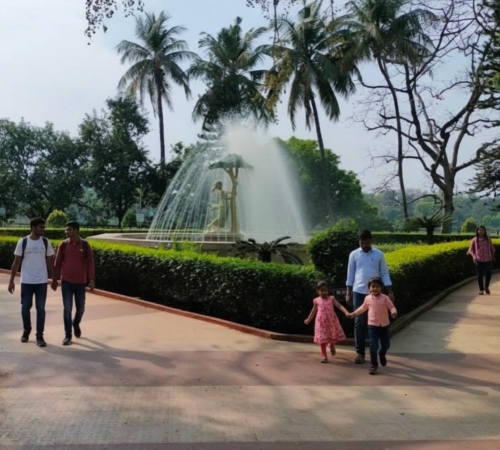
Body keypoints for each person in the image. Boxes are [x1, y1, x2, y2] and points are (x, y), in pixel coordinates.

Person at [346, 229, 394, 365]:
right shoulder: (354, 254)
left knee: (377, 322)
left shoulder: (379, 254)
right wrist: (348, 292)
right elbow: (350, 274)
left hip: (375, 293)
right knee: (359, 322)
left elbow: (384, 273)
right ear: (359, 242)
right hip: (358, 291)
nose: (364, 245)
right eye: (362, 243)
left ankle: (379, 350)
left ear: (371, 241)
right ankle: (360, 352)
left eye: (367, 243)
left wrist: (390, 292)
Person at [8, 217, 56, 347]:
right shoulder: (23, 242)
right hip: (27, 281)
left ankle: (40, 336)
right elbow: (16, 262)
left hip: (41, 282)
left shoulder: (45, 242)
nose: (43, 230)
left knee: (41, 309)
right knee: (25, 308)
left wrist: (54, 279)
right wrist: (11, 280)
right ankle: (26, 330)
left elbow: (50, 261)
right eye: (41, 227)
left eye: (44, 227)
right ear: (33, 227)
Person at [53, 221, 95, 345]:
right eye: (66, 229)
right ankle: (68, 335)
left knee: (80, 308)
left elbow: (90, 263)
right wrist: (55, 279)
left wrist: (91, 279)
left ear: (76, 230)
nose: (66, 232)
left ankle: (76, 323)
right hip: (66, 282)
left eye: (69, 229)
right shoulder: (63, 245)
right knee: (67, 309)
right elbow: (57, 263)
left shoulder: (85, 245)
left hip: (80, 282)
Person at [348, 277, 397, 375]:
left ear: (381, 288)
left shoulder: (385, 298)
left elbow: (391, 307)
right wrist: (354, 314)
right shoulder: (368, 298)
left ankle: (382, 354)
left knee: (386, 345)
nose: (375, 288)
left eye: (377, 286)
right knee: (373, 346)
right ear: (369, 288)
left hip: (384, 326)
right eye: (373, 286)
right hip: (372, 326)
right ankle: (373, 365)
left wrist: (393, 312)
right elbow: (362, 308)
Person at [304, 280, 350, 363]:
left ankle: (331, 345)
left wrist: (346, 312)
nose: (324, 292)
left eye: (325, 290)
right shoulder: (316, 300)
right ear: (318, 291)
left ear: (328, 290)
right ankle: (324, 354)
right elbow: (313, 311)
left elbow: (339, 305)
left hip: (331, 322)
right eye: (322, 290)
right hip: (321, 323)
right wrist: (308, 319)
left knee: (331, 335)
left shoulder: (331, 299)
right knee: (322, 338)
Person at [467, 225, 496, 295]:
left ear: (485, 231)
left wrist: (493, 255)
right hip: (478, 260)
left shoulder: (488, 239)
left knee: (488, 273)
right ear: (477, 231)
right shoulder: (474, 240)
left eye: (482, 230)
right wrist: (474, 256)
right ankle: (481, 289)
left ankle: (486, 286)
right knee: (480, 275)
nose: (481, 231)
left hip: (488, 259)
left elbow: (492, 248)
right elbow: (471, 250)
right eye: (479, 230)